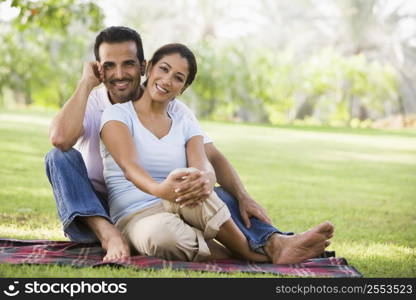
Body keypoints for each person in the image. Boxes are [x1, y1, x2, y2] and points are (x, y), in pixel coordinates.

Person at [45, 26, 334, 263]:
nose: (119, 74)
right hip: (104, 205)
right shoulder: (102, 107)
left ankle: (277, 243)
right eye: (109, 65)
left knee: (222, 196)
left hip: (175, 198)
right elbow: (61, 140)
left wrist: (229, 190)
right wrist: (85, 83)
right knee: (58, 157)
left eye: (128, 64)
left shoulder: (178, 112)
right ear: (99, 68)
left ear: (144, 66)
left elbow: (210, 157)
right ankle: (111, 234)